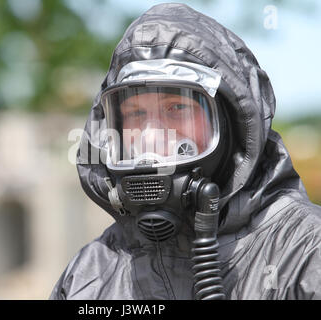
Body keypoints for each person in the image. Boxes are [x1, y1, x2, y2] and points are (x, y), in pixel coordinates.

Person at [50, 3, 321, 300]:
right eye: (136, 115)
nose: (151, 138)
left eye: (177, 108)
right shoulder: (89, 275)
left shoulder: (305, 254)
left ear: (232, 125)